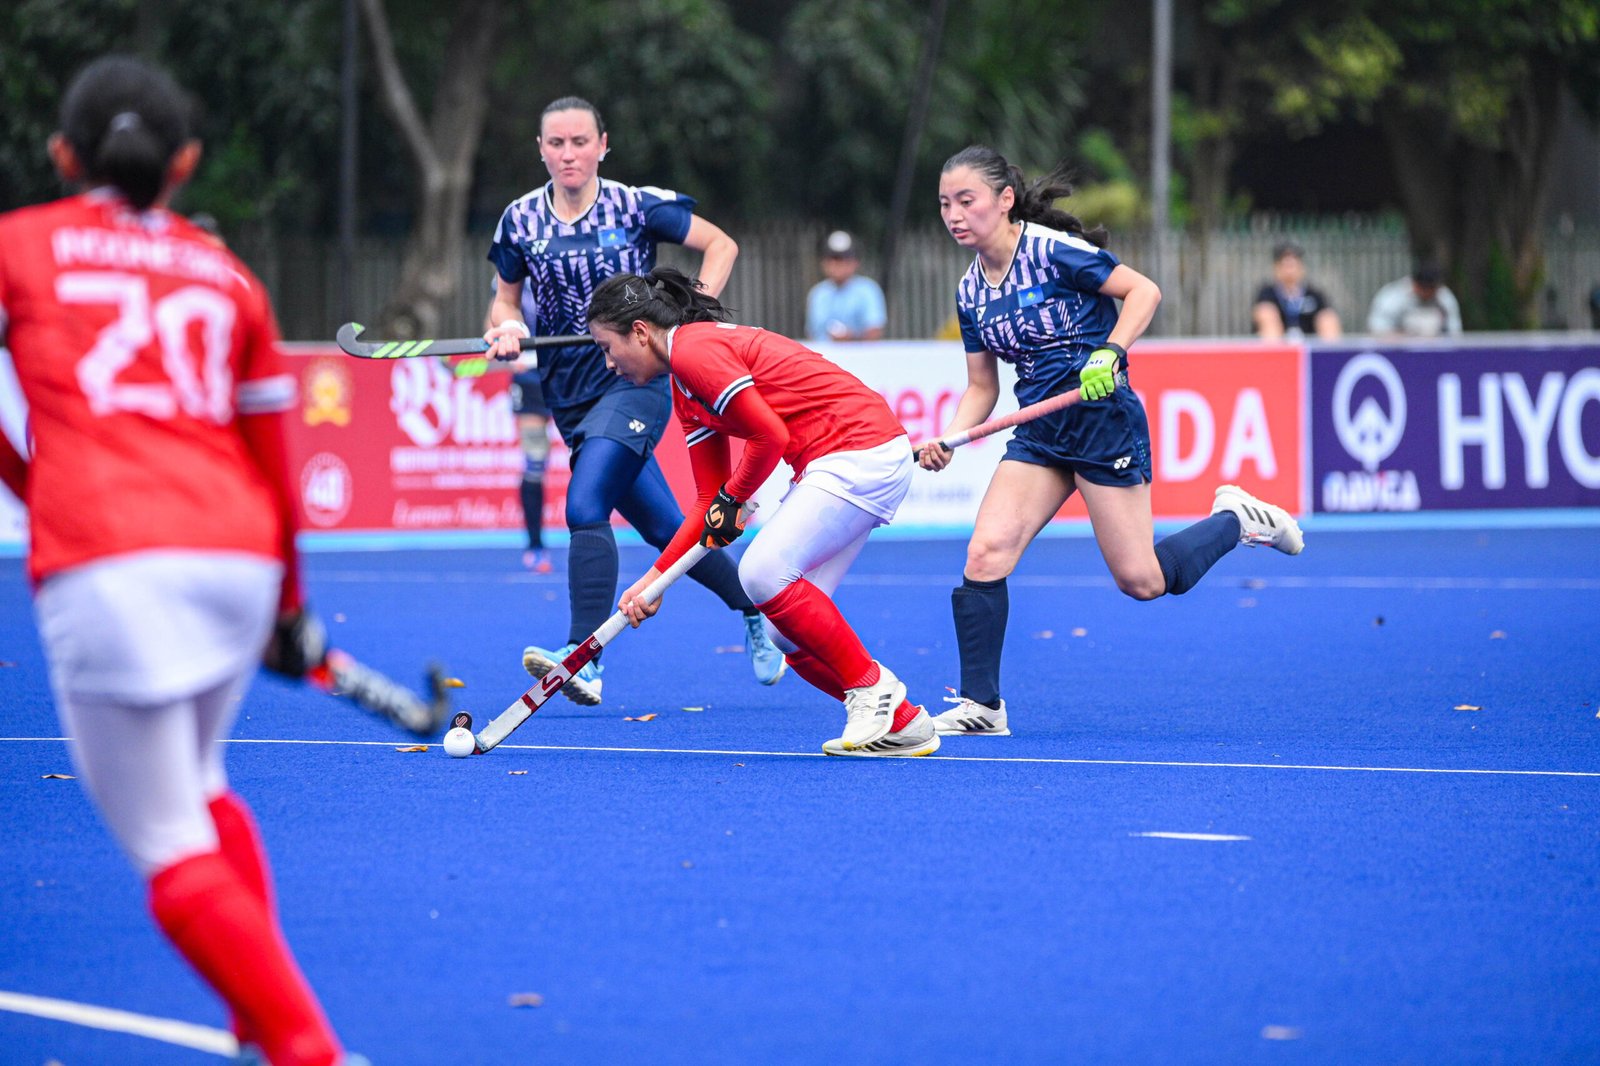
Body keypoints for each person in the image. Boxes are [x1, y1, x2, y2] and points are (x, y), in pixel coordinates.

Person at [0, 56, 358, 1065]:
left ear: (63, 154)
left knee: (163, 838)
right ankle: (257, 1010)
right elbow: (273, 466)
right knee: (197, 783)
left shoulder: (18, 245)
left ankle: (301, 1043)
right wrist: (291, 606)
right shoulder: (226, 274)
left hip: (109, 560)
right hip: (235, 559)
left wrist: (32, 485)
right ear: (188, 162)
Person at [918, 145, 1304, 737]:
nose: (954, 214)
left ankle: (1236, 518)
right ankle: (981, 706)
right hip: (1040, 434)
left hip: (1103, 424)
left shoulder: (1053, 251)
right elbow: (979, 387)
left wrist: (1112, 350)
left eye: (966, 201)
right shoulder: (970, 293)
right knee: (984, 554)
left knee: (1143, 581)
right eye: (945, 203)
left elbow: (1143, 292)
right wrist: (949, 436)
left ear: (1004, 200)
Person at [483, 96, 785, 705]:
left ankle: (582, 657)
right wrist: (505, 326)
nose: (568, 154)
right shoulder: (518, 221)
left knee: (585, 501)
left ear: (602, 144)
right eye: (556, 144)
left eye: (579, 142)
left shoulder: (636, 205)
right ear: (540, 150)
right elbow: (505, 299)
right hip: (567, 390)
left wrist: (688, 316)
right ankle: (758, 607)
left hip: (636, 378)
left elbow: (721, 245)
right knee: (668, 529)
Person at [587, 267, 936, 756]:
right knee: (780, 630)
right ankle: (903, 721)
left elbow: (770, 436)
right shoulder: (683, 387)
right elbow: (709, 503)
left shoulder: (695, 350)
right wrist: (655, 580)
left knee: (762, 573)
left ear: (640, 333)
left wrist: (735, 496)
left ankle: (872, 689)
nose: (608, 363)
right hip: (837, 462)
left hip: (858, 451)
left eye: (607, 347)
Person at [482, 277, 552, 573]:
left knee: (589, 455)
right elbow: (492, 320)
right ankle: (535, 546)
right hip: (529, 379)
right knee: (535, 461)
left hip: (570, 373)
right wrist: (503, 343)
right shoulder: (510, 274)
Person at [804, 230, 887, 342]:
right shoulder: (818, 293)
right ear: (824, 263)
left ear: (855, 262)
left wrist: (852, 338)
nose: (838, 265)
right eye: (833, 259)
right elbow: (812, 333)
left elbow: (875, 331)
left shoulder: (868, 290)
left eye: (843, 260)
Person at [1252, 240, 1341, 340]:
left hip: (1309, 346)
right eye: (1285, 264)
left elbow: (1327, 319)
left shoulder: (1314, 295)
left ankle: (1329, 354)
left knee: (1328, 319)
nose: (1290, 269)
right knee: (1266, 315)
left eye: (1293, 264)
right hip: (1280, 346)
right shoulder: (1267, 294)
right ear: (1276, 267)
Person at [1367, 262, 1463, 337]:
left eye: (1431, 289)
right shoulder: (1394, 296)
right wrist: (1406, 337)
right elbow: (1377, 328)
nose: (1427, 293)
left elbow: (1454, 333)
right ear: (1415, 284)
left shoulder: (1444, 298)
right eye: (1424, 288)